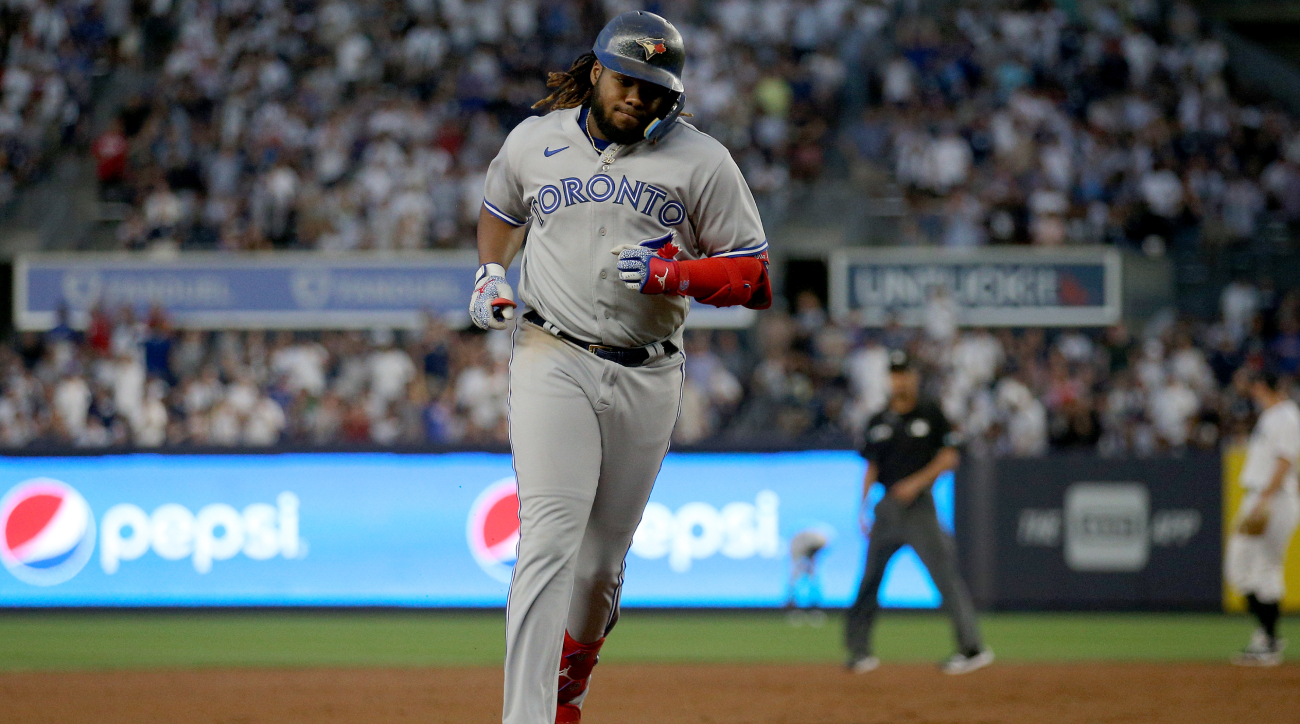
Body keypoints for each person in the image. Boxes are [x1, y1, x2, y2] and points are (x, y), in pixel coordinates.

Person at [467, 12, 772, 724]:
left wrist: (681, 274)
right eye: (628, 81)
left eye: (655, 90)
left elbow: (754, 275)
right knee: (547, 538)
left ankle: (570, 689)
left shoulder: (701, 160)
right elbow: (499, 206)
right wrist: (489, 272)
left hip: (647, 373)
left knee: (600, 567)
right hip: (552, 353)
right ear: (597, 70)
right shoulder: (536, 139)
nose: (638, 98)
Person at [845, 349, 992, 675]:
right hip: (887, 510)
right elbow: (870, 466)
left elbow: (949, 458)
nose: (900, 380)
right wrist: (863, 506)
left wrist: (915, 483)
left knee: (945, 576)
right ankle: (858, 651)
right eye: (895, 374)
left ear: (914, 377)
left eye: (905, 373)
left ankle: (972, 648)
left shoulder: (931, 412)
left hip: (920, 508)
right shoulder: (878, 420)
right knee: (869, 579)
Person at [1226, 370, 1300, 666]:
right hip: (1263, 496)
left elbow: (1286, 460)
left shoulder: (1286, 415)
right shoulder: (1272, 416)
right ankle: (1267, 636)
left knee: (1265, 568)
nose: (1250, 391)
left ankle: (1268, 641)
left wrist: (1265, 499)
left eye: (1252, 385)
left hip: (1272, 499)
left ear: (1260, 386)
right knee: (1240, 569)